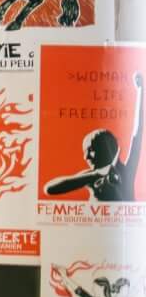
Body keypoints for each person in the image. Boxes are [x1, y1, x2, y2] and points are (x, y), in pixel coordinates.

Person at [44, 71, 143, 202]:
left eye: (91, 150)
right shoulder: (92, 176)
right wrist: (96, 174)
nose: (86, 156)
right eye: (85, 152)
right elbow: (49, 189)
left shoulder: (126, 171)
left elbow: (137, 132)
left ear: (106, 148)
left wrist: (141, 90)